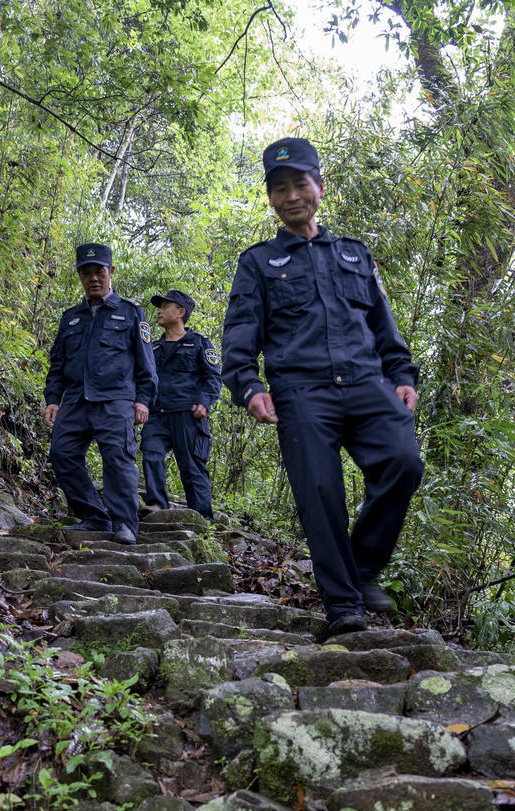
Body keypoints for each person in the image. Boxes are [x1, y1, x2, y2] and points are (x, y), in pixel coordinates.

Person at [221, 137, 424, 638]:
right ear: (270, 198)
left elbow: (384, 325)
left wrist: (401, 375)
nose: (291, 196)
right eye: (279, 189)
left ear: (319, 187)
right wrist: (249, 387)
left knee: (404, 462)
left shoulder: (355, 255)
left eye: (300, 184)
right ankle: (344, 606)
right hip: (301, 391)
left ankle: (361, 566)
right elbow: (240, 334)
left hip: (367, 382)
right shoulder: (258, 264)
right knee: (320, 491)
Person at [43, 242, 156, 545]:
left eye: (99, 271)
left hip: (116, 399)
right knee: (62, 453)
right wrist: (53, 399)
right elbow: (58, 363)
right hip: (77, 400)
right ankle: (93, 515)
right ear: (80, 276)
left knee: (118, 459)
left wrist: (143, 399)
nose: (93, 278)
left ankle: (125, 525)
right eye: (86, 272)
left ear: (111, 272)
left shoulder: (131, 313)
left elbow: (146, 362)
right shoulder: (71, 318)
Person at [141, 288, 222, 521]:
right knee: (151, 454)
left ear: (180, 312)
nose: (159, 311)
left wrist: (204, 402)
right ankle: (157, 506)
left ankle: (202, 519)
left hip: (187, 415)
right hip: (157, 414)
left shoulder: (199, 343)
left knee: (191, 467)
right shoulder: (152, 347)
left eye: (165, 306)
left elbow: (213, 378)